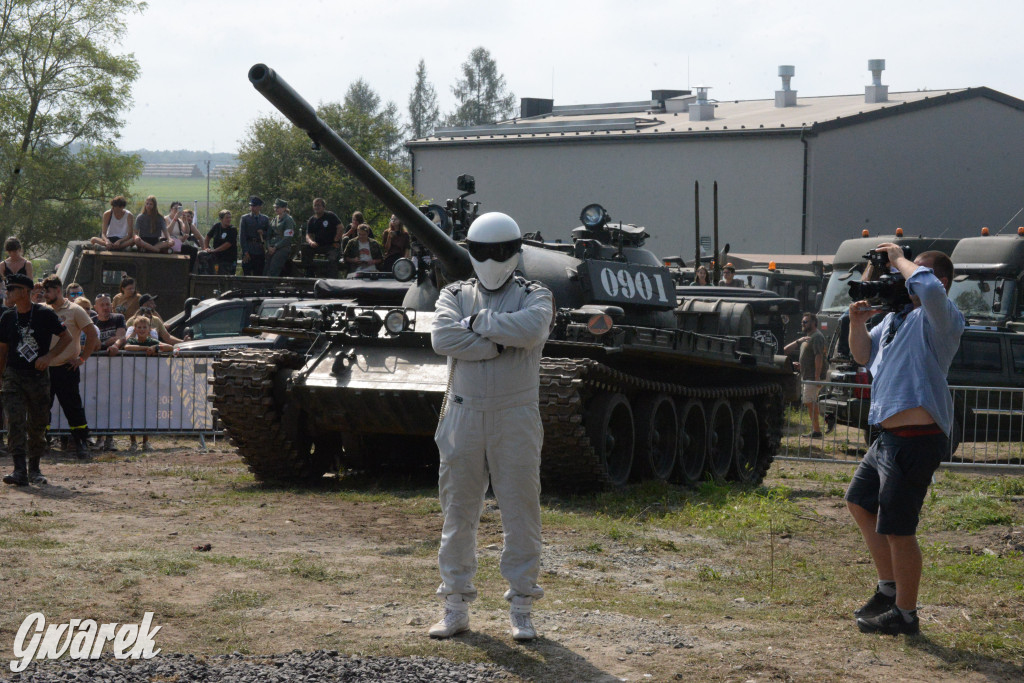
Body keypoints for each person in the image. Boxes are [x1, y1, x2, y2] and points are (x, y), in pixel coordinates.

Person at [429, 212, 553, 642]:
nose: (491, 258)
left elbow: (533, 328)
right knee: (458, 513)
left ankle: (522, 605)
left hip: (514, 413)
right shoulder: (455, 293)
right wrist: (502, 341)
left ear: (515, 251)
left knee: (521, 512)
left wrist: (478, 327)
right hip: (463, 412)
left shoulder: (535, 295)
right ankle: (455, 603)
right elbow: (442, 339)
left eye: (499, 251)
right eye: (482, 251)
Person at [845, 245, 964, 636]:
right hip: (888, 438)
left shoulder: (942, 317)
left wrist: (898, 256)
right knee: (860, 503)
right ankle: (888, 588)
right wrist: (857, 321)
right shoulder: (896, 320)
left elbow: (926, 288)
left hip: (917, 438)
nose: (905, 277)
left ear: (941, 281)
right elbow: (862, 356)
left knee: (898, 528)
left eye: (914, 271)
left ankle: (906, 615)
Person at [1, 273, 72, 486]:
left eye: (12, 289)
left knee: (37, 423)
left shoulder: (44, 314)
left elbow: (66, 337)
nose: (9, 292)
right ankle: (19, 470)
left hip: (38, 376)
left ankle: (35, 468)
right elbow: (2, 350)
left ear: (25, 291)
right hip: (13, 375)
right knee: (14, 422)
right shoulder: (6, 317)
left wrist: (49, 356)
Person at [43, 275, 99, 459]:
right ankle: (42, 442)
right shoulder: (42, 309)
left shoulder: (75, 310)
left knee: (73, 407)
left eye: (48, 292)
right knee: (42, 407)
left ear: (58, 290)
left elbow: (92, 335)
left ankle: (81, 443)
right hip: (44, 369)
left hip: (67, 369)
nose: (44, 295)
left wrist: (82, 358)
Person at [784, 313, 826, 437]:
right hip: (808, 375)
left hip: (812, 377)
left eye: (806, 322)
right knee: (810, 401)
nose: (803, 324)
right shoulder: (807, 338)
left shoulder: (817, 336)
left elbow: (819, 357)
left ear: (814, 323)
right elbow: (785, 350)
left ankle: (817, 430)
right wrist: (801, 365)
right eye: (802, 322)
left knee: (809, 401)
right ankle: (819, 427)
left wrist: (817, 377)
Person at [300, 198, 342, 278]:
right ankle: (309, 275)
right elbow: (308, 235)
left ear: (323, 207)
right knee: (305, 248)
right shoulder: (312, 220)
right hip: (318, 245)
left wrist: (336, 240)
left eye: (319, 205)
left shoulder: (330, 215)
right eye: (315, 205)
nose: (317, 207)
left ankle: (332, 280)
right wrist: (311, 242)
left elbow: (340, 227)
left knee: (332, 260)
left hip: (331, 245)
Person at [198, 210, 238, 275]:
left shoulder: (232, 229)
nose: (229, 219)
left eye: (230, 217)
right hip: (217, 258)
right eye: (227, 218)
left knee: (226, 278)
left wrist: (215, 250)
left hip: (228, 259)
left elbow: (228, 244)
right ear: (221, 219)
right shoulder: (217, 226)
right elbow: (208, 237)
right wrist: (206, 248)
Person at [265, 199, 296, 276]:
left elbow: (288, 238)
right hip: (271, 248)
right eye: (275, 207)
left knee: (274, 267)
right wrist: (268, 246)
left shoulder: (288, 220)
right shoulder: (274, 219)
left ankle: (270, 287)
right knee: (266, 268)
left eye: (278, 207)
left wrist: (275, 247)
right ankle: (264, 286)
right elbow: (268, 235)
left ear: (284, 208)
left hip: (283, 248)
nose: (276, 209)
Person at [239, 196, 269, 276]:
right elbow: (242, 236)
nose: (252, 208)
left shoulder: (265, 219)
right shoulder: (245, 218)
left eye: (254, 206)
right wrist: (245, 251)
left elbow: (269, 235)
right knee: (247, 272)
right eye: (251, 206)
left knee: (259, 272)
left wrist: (263, 233)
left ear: (259, 207)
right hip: (249, 249)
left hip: (260, 249)